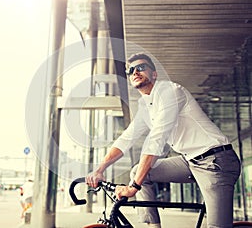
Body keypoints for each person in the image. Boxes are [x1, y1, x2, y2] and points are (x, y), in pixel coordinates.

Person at [86, 53, 241, 228]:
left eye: (141, 67)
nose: (135, 72)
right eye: (130, 71)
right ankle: (153, 226)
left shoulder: (170, 92)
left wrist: (133, 188)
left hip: (216, 161)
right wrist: (99, 170)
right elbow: (125, 140)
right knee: (139, 172)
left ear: (154, 74)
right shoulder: (145, 105)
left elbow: (156, 141)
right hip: (189, 161)